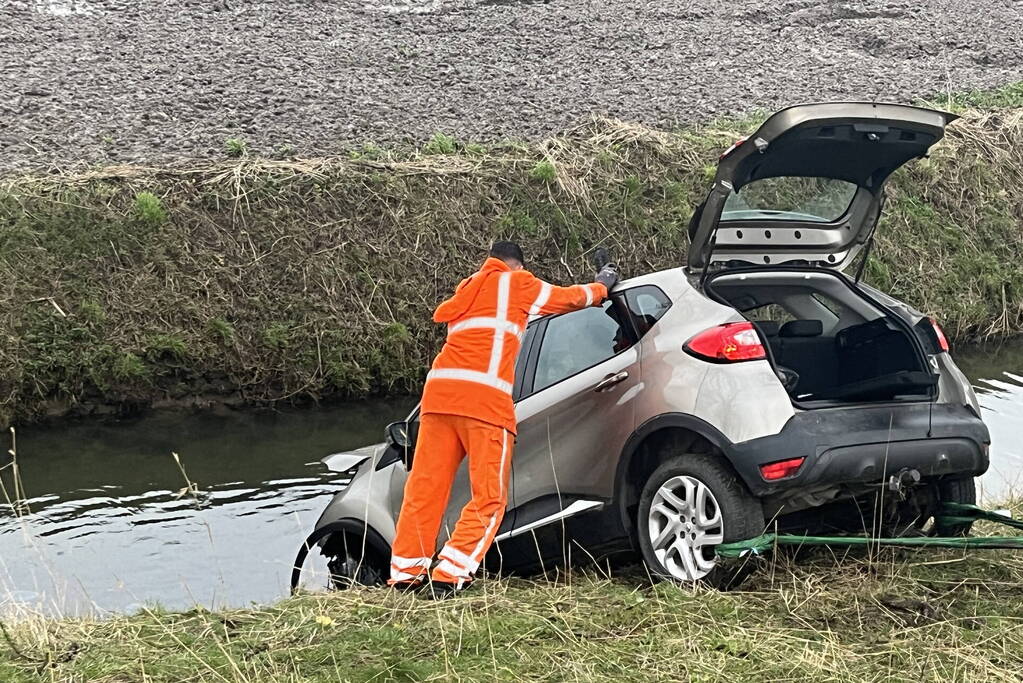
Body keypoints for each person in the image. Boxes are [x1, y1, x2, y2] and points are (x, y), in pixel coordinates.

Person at [388, 241, 619, 595]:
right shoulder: (517, 283)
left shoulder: (468, 290)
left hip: (437, 401)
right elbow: (570, 299)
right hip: (483, 404)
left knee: (425, 490)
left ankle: (405, 574)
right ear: (516, 266)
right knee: (490, 498)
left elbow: (512, 321)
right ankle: (450, 574)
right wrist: (603, 283)